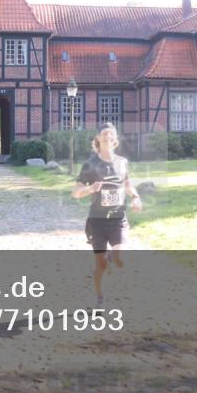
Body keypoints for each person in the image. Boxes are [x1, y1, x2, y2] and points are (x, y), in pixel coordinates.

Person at [71, 123, 142, 308]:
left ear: (115, 141)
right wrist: (89, 188)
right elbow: (76, 192)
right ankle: (99, 298)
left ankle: (108, 262)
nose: (108, 138)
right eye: (104, 135)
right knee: (101, 265)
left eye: (111, 136)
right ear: (98, 139)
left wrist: (135, 197)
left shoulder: (122, 162)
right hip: (97, 221)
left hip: (118, 219)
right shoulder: (90, 164)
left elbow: (127, 185)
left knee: (118, 259)